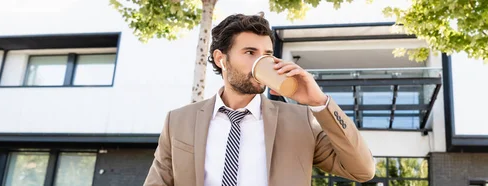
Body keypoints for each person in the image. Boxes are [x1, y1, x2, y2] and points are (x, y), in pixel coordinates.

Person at [143, 13, 375, 186]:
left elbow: (363, 170)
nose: (261, 62)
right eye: (249, 53)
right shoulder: (179, 121)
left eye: (266, 55)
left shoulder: (300, 120)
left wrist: (318, 102)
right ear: (220, 59)